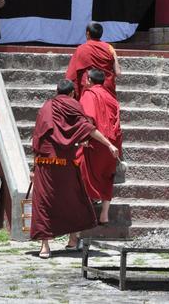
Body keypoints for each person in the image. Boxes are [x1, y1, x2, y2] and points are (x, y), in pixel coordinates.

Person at [31, 79, 120, 259]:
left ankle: (45, 247)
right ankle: (73, 239)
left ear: (57, 92)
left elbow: (38, 136)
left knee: (44, 201)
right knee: (74, 199)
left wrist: (33, 166)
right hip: (66, 163)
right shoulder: (73, 105)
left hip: (46, 162)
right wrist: (109, 144)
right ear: (72, 93)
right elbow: (88, 127)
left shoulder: (46, 107)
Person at [76, 69, 122, 225]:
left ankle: (86, 212)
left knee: (83, 173)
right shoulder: (111, 97)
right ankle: (104, 215)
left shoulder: (89, 95)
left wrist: (84, 139)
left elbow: (88, 122)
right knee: (107, 177)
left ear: (89, 80)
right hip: (113, 144)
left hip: (96, 143)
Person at [66, 22, 121, 99]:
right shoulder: (109, 48)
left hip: (88, 86)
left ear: (87, 33)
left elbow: (71, 74)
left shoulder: (81, 49)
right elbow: (118, 72)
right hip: (105, 87)